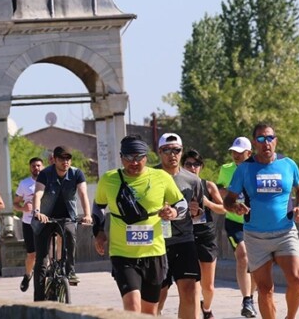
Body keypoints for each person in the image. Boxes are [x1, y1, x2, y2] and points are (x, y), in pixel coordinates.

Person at [93, 135, 187, 315]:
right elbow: (98, 207)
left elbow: (181, 204)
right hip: (123, 254)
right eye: (129, 157)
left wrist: (173, 213)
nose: (134, 162)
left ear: (147, 157)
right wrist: (98, 232)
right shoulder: (109, 179)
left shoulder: (161, 177)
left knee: (149, 312)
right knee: (132, 307)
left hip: (154, 254)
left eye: (139, 157)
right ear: (121, 157)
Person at [224, 123, 299, 319]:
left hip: (285, 232)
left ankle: (290, 317)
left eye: (270, 138)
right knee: (265, 288)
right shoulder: (245, 169)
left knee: (297, 280)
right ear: (254, 143)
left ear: (275, 141)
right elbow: (228, 199)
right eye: (261, 139)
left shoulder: (288, 164)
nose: (266, 143)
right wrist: (235, 206)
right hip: (255, 236)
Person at [31, 146, 93, 301]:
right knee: (42, 261)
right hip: (45, 218)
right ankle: (38, 300)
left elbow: (82, 194)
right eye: (61, 159)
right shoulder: (45, 174)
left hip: (67, 217)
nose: (65, 162)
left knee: (70, 233)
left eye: (68, 159)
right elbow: (38, 193)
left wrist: (87, 215)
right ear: (54, 160)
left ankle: (70, 270)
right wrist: (38, 212)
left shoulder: (76, 173)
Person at [155, 133, 203, 319]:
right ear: (159, 152)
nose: (172, 154)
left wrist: (196, 212)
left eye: (176, 150)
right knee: (158, 293)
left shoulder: (193, 180)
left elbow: (200, 215)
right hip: (157, 241)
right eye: (167, 150)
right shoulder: (150, 176)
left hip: (184, 240)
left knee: (190, 289)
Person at [217, 136, 258, 318]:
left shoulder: (258, 169)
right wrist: (233, 197)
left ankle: (251, 296)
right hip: (234, 221)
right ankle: (246, 299)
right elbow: (219, 191)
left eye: (240, 153)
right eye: (234, 152)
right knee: (243, 257)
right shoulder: (226, 170)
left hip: (255, 222)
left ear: (249, 153)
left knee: (256, 264)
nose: (236, 155)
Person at [183, 149, 225, 319]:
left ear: (201, 167)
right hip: (185, 237)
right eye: (188, 164)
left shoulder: (208, 186)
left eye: (196, 164)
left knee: (208, 287)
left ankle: (206, 308)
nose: (192, 168)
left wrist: (207, 203)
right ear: (182, 166)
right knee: (192, 284)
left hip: (205, 236)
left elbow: (223, 209)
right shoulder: (176, 185)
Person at [13, 157, 44, 292]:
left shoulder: (48, 181)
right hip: (28, 223)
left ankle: (45, 274)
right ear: (30, 168)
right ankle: (27, 275)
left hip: (44, 222)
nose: (36, 168)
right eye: (33, 166)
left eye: (38, 166)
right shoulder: (24, 184)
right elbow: (15, 203)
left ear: (42, 167)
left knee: (44, 253)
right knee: (32, 254)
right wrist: (22, 209)